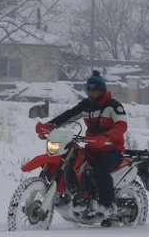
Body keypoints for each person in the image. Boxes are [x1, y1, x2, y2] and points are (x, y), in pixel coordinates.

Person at [35, 70, 128, 215]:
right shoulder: (86, 105)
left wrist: (107, 137)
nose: (90, 92)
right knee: (72, 159)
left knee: (100, 170)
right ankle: (76, 195)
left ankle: (107, 206)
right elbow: (68, 116)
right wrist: (50, 125)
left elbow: (122, 125)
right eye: (88, 89)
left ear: (102, 90)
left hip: (112, 150)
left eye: (94, 89)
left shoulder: (113, 106)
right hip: (92, 147)